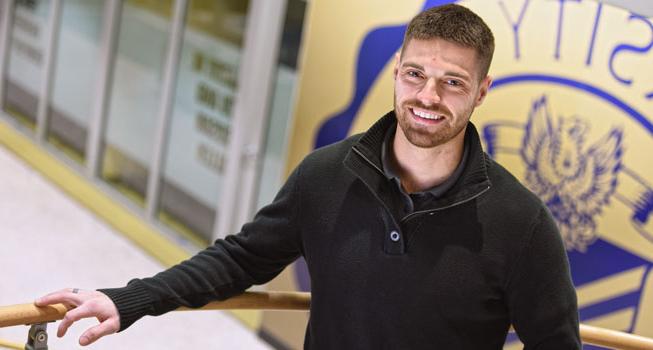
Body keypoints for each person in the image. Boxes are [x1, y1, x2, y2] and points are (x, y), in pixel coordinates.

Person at [36, 4, 580, 349]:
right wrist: (128, 301)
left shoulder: (521, 223)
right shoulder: (326, 176)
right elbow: (239, 259)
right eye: (415, 74)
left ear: (482, 92)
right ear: (396, 72)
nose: (427, 97)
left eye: (452, 83)